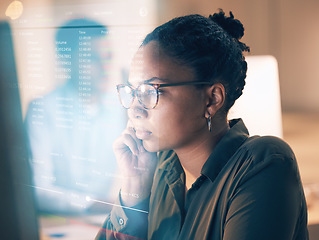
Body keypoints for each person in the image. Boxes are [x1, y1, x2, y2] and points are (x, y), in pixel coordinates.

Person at [96, 10, 309, 239]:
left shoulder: (264, 163)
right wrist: (134, 188)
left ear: (212, 99)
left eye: (150, 91)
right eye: (133, 91)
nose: (134, 108)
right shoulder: (161, 167)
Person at [25, 18, 125, 214]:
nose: (105, 67)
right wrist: (96, 203)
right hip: (53, 221)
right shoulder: (43, 109)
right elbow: (37, 189)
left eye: (108, 57)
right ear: (66, 60)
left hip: (102, 218)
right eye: (93, 58)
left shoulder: (121, 108)